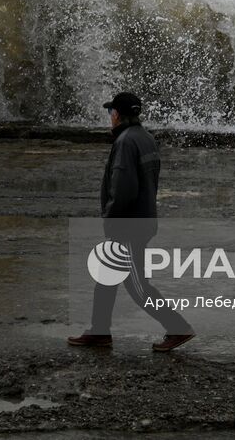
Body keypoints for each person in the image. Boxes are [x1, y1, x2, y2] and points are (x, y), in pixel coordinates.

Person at [67, 91, 195, 352]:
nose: (109, 118)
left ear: (116, 114)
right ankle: (99, 331)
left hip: (128, 225)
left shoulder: (125, 142)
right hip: (142, 218)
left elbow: (123, 188)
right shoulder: (146, 138)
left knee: (137, 285)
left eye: (110, 113)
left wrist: (110, 218)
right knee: (106, 276)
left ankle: (178, 327)